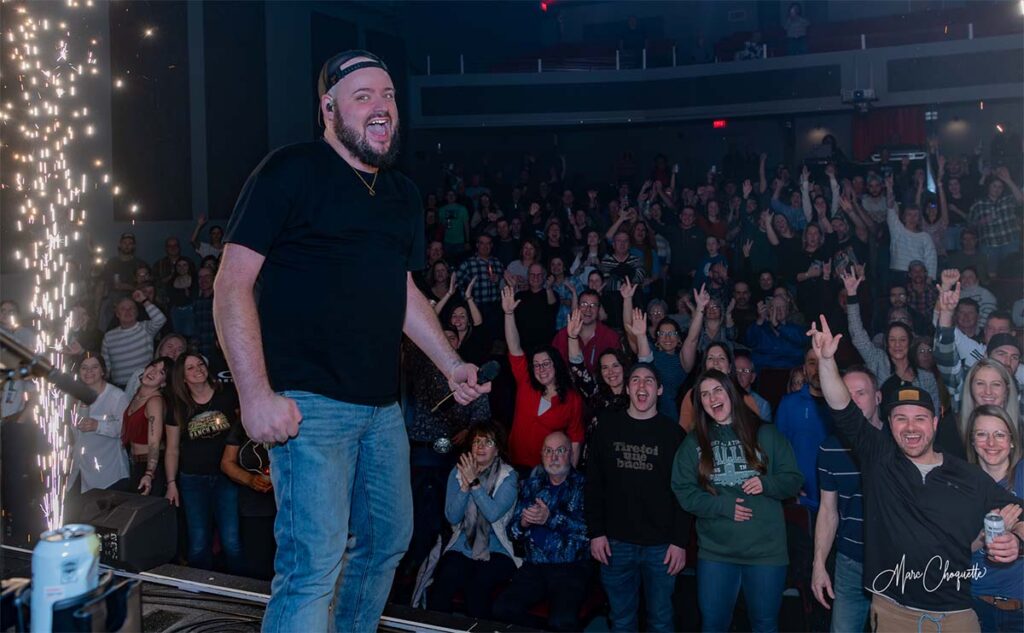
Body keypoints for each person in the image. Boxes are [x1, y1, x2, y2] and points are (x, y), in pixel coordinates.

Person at [215, 50, 489, 632]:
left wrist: (449, 362)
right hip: (309, 405)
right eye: (363, 96)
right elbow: (230, 284)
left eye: (387, 95)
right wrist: (254, 394)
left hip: (382, 408)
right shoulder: (289, 170)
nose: (381, 107)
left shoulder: (403, 196)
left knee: (387, 542)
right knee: (313, 566)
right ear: (329, 109)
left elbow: (402, 290)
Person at [808, 315, 1023, 630]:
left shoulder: (967, 474)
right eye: (900, 418)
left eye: (920, 418)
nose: (911, 427)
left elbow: (1020, 514)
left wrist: (1017, 541)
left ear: (935, 424)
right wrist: (827, 362)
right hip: (894, 612)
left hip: (957, 615)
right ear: (889, 425)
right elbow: (843, 409)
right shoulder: (879, 460)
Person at [673, 369, 803, 633]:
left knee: (765, 625)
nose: (712, 399)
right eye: (705, 395)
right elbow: (682, 490)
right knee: (713, 625)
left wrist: (767, 484)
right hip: (716, 554)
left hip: (766, 554)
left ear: (731, 393)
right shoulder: (694, 442)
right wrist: (721, 506)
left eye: (717, 390)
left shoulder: (766, 433)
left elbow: (793, 480)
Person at [586, 363, 691, 632]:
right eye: (635, 380)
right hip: (615, 544)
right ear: (628, 388)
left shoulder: (674, 435)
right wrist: (596, 533)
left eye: (648, 381)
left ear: (660, 389)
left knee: (661, 620)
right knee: (621, 620)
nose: (642, 386)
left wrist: (680, 542)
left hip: (662, 547)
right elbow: (594, 485)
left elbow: (685, 492)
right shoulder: (606, 428)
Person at [493, 431, 591, 631]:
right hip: (534, 565)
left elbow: (590, 532)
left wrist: (550, 519)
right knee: (501, 609)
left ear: (570, 455)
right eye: (548, 451)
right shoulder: (532, 485)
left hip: (570, 567)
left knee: (561, 621)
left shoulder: (585, 486)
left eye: (560, 451)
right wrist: (523, 524)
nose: (553, 457)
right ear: (541, 454)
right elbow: (512, 532)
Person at [811, 366, 882, 633]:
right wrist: (819, 564)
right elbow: (828, 512)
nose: (852, 401)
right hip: (850, 562)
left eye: (860, 393)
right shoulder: (829, 448)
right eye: (845, 394)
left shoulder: (898, 442)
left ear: (878, 397)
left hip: (894, 562)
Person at [424, 423, 520, 619]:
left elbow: (493, 514)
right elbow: (452, 517)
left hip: (497, 549)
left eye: (487, 442)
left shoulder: (508, 476)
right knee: (444, 581)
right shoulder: (458, 472)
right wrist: (465, 485)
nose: (480, 446)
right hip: (462, 545)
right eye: (476, 441)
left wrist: (474, 484)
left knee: (478, 584)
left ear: (497, 449)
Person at [165, 353, 244, 574]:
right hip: (193, 478)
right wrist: (171, 482)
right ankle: (201, 595)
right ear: (182, 378)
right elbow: (172, 448)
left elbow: (243, 432)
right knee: (199, 542)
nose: (198, 369)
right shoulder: (178, 406)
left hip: (226, 476)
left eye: (200, 364)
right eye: (190, 368)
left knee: (231, 540)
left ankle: (241, 589)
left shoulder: (226, 395)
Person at [502, 286, 584, 469]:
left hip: (548, 472)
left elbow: (576, 440)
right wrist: (508, 314)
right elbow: (514, 346)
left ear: (556, 365)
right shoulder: (525, 380)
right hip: (514, 466)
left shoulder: (572, 398)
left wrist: (568, 479)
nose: (541, 368)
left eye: (546, 363)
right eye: (537, 365)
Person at [842, 267, 942, 410]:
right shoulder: (877, 361)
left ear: (910, 341)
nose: (897, 345)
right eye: (892, 340)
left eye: (902, 340)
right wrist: (851, 295)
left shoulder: (926, 377)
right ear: (886, 343)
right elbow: (858, 335)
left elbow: (935, 412)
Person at [964, 405, 1024, 632]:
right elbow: (950, 550)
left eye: (999, 434)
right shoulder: (959, 484)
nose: (991, 443)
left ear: (1011, 441)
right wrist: (982, 537)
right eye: (982, 434)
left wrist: (1016, 536)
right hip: (975, 607)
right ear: (972, 441)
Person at [67, 355, 131, 509]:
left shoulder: (116, 396)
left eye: (94, 367)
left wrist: (98, 425)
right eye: (84, 367)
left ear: (103, 371)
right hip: (80, 471)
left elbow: (125, 429)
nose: (89, 371)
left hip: (109, 474)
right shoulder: (74, 396)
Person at [775, 349, 830, 511]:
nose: (818, 368)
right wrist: (788, 488)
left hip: (839, 502)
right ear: (805, 369)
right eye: (812, 363)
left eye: (823, 362)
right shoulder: (788, 404)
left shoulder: (844, 406)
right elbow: (778, 452)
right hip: (802, 501)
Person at [121, 357, 172, 497]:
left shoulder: (154, 401)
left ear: (163, 383)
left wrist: (149, 474)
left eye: (161, 372)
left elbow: (154, 443)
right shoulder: (138, 394)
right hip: (135, 463)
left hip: (150, 465)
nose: (153, 372)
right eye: (153, 366)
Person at [101, 290, 168, 388]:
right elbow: (106, 367)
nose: (127, 311)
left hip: (143, 386)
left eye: (131, 308)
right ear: (117, 314)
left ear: (136, 312)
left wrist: (144, 300)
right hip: (119, 389)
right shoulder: (108, 336)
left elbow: (161, 319)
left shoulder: (145, 328)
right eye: (123, 309)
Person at [551, 288, 622, 376]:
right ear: (577, 307)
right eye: (584, 304)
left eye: (593, 305)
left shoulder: (610, 336)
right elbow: (553, 367)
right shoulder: (562, 336)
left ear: (599, 309)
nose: (588, 309)